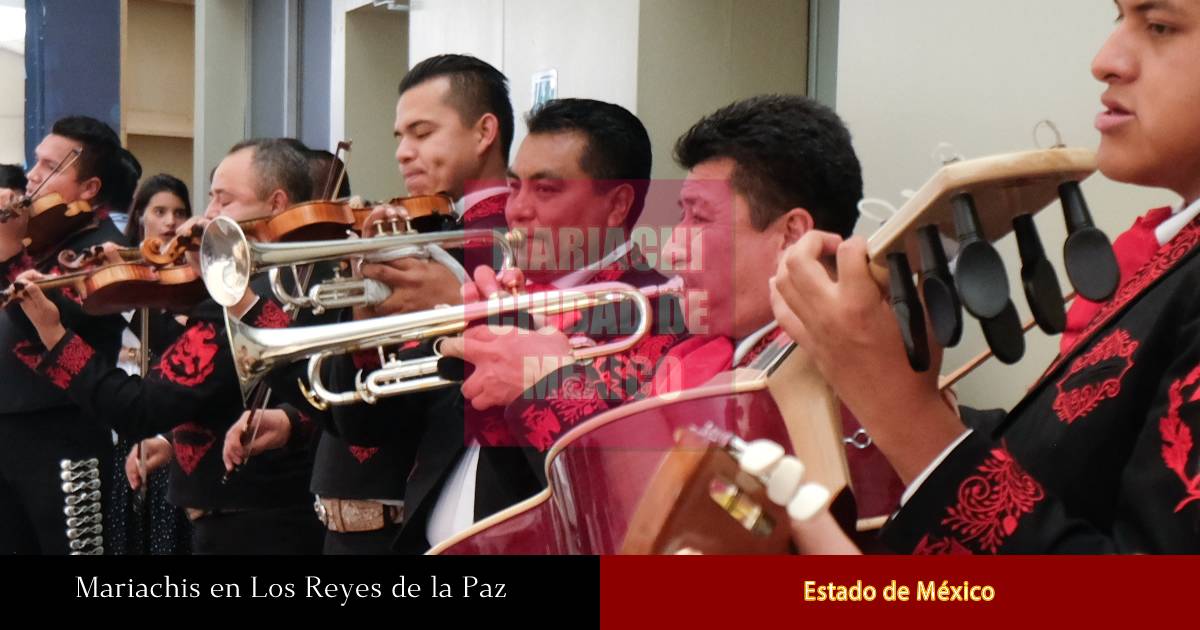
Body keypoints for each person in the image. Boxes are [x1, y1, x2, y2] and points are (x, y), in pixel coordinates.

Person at [771, 0, 1200, 553]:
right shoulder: (1176, 251)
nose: (1105, 60)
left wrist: (903, 412)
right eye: (1118, 18)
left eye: (1160, 25)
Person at [13, 138, 323, 554]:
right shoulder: (286, 285)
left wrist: (54, 336)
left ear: (277, 202)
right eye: (210, 198)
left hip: (256, 528)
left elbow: (140, 406)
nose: (205, 217)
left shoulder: (246, 299)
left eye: (223, 201)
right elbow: (212, 388)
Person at [0, 116, 132, 554]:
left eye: (49, 166)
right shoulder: (37, 239)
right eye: (35, 161)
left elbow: (41, 324)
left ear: (90, 188)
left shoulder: (102, 249)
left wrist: (11, 250)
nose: (32, 176)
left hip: (62, 434)